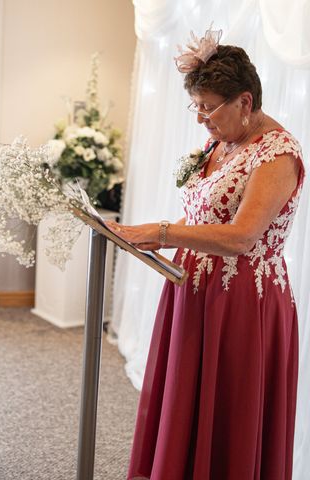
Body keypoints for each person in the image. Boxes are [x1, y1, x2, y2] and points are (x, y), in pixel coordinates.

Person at [110, 30, 304, 479]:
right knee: (186, 399)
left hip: (242, 302)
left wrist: (161, 231)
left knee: (229, 410)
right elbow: (204, 213)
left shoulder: (277, 154)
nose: (201, 119)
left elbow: (242, 237)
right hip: (192, 286)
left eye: (209, 107)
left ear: (245, 101)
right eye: (196, 106)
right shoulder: (222, 140)